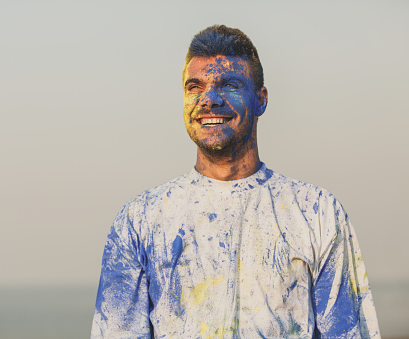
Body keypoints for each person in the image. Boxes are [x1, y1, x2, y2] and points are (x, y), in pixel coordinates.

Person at [91, 25, 380, 338]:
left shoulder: (317, 212)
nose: (209, 99)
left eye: (228, 85)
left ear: (261, 100)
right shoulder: (140, 219)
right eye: (194, 87)